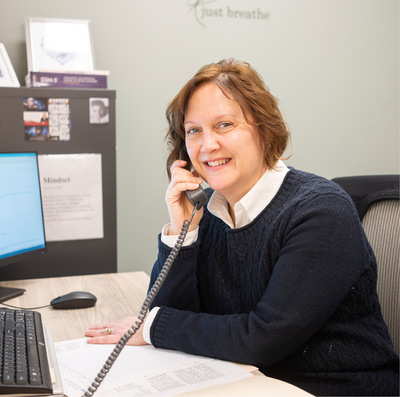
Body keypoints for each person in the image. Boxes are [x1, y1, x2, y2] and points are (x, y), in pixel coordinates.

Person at [85, 59, 399, 396]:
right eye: (193, 131)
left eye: (224, 125)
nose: (207, 146)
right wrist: (182, 230)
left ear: (264, 130)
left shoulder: (320, 211)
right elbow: (171, 314)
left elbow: (262, 337)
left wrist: (153, 326)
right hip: (246, 381)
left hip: (336, 387)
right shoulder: (205, 209)